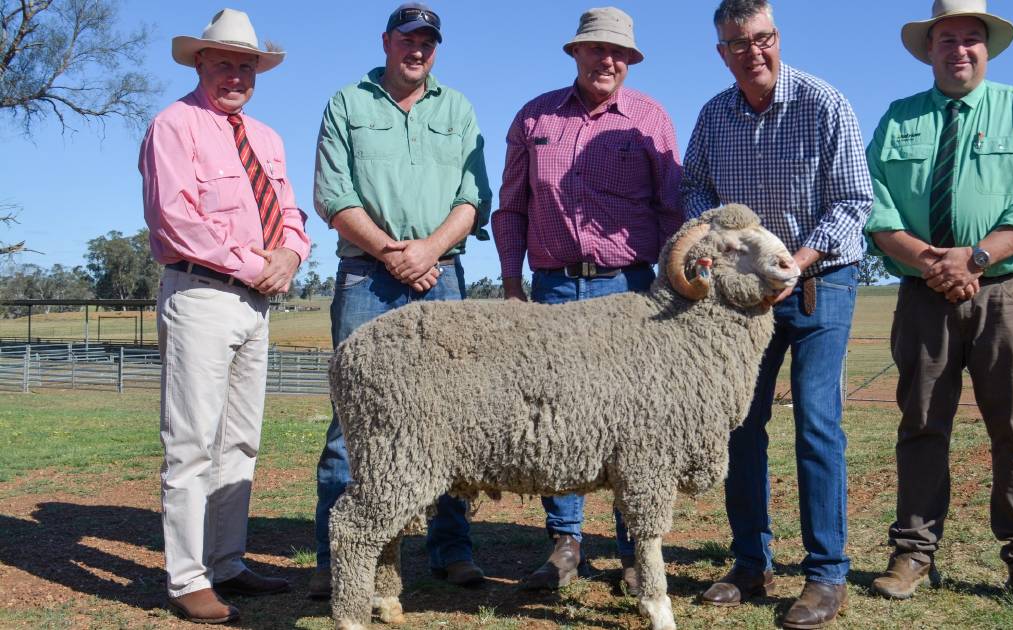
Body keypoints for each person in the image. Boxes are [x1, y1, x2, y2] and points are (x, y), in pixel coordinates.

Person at [863, 0, 1013, 613]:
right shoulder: (898, 120)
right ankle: (913, 553)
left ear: (988, 47)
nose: (960, 49)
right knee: (922, 426)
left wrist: (973, 259)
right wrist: (935, 263)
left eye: (971, 38)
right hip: (923, 296)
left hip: (1009, 294)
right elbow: (874, 208)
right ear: (930, 49)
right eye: (947, 38)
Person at [681, 0, 872, 626]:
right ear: (722, 52)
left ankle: (825, 575)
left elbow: (852, 200)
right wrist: (718, 243)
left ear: (777, 37)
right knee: (742, 423)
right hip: (743, 299)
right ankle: (749, 561)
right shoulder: (713, 117)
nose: (752, 52)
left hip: (819, 283)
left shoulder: (825, 105)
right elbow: (695, 190)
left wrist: (795, 260)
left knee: (817, 421)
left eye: (761, 38)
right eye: (738, 43)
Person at [492, 6, 683, 595]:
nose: (608, 61)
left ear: (630, 61)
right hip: (552, 285)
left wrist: (670, 287)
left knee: (635, 418)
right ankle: (565, 543)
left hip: (630, 288)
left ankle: (633, 550)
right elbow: (512, 205)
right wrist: (510, 281)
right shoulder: (536, 117)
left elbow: (673, 208)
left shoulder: (650, 118)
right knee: (556, 413)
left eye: (619, 53)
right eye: (597, 50)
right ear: (574, 53)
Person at [308, 3, 492, 599]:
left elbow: (473, 197)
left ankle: (451, 549)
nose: (418, 49)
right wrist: (393, 253)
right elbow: (333, 196)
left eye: (428, 41)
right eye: (408, 38)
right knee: (352, 422)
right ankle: (339, 559)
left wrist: (430, 252)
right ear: (386, 41)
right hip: (367, 277)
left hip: (444, 279)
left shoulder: (457, 108)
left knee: (454, 417)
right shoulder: (347, 104)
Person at [139, 8, 310, 624]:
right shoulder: (173, 125)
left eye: (247, 65)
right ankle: (187, 578)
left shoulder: (266, 138)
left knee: (240, 439)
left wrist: (290, 255)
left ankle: (228, 562)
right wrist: (249, 264)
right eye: (226, 64)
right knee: (190, 443)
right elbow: (174, 220)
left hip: (256, 303)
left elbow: (290, 213)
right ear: (200, 62)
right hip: (202, 295)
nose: (237, 75)